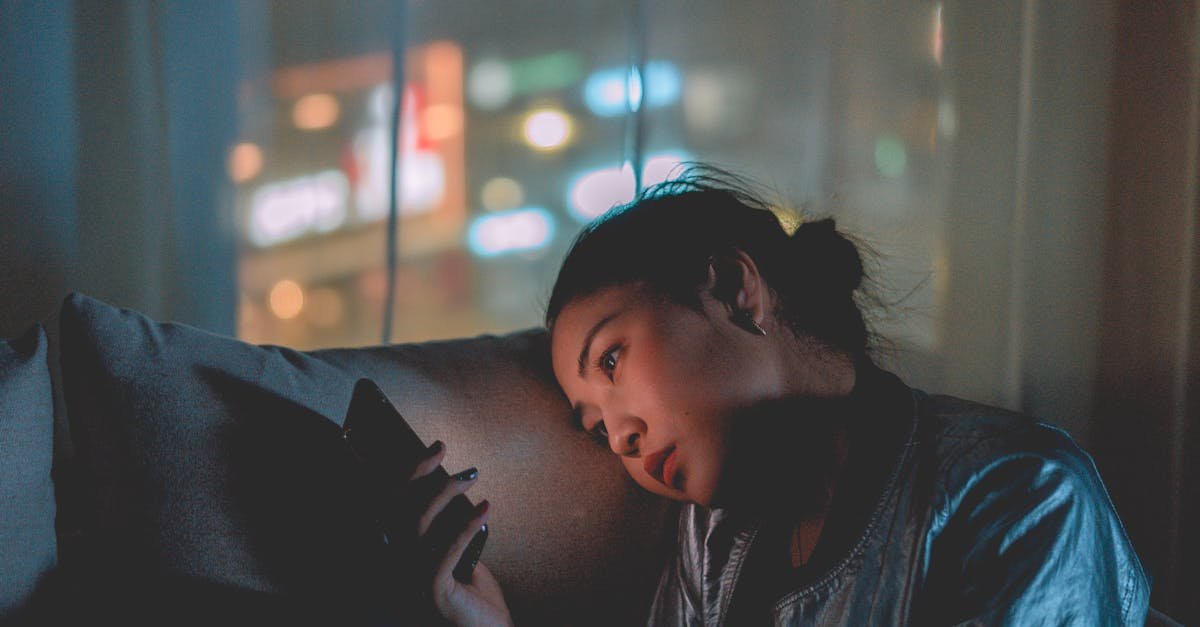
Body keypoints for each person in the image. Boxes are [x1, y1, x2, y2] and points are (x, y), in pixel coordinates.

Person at [402, 168, 1151, 625]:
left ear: (734, 289)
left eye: (614, 357)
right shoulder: (711, 542)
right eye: (596, 428)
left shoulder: (1020, 493)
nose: (621, 437)